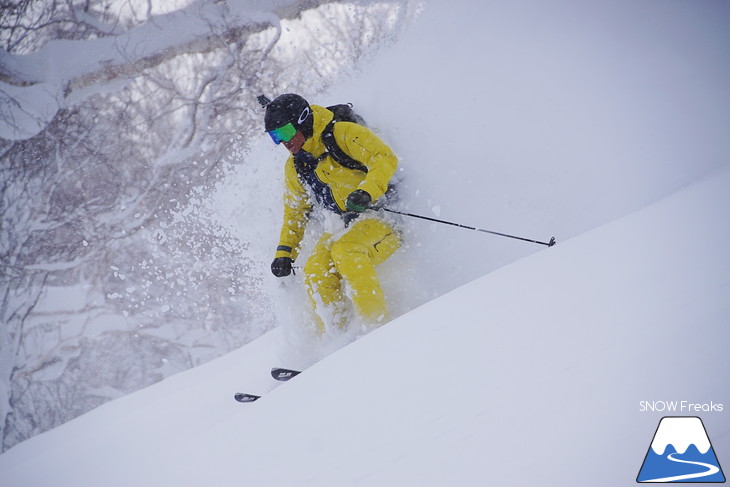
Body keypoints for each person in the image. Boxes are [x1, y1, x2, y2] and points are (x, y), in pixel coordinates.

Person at [265, 93, 401, 332]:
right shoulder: (296, 165)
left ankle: (378, 330)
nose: (283, 143)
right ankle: (337, 341)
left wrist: (366, 191)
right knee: (315, 270)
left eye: (285, 133)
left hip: (385, 216)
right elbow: (295, 213)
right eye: (275, 137)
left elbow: (384, 158)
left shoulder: (343, 134)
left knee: (346, 251)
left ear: (302, 120)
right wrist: (285, 252)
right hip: (344, 224)